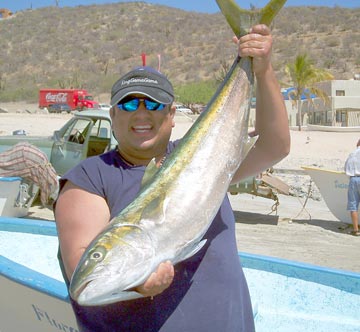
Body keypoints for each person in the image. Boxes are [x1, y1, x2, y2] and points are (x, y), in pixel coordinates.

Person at [55, 24, 290, 332]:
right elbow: (80, 263)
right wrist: (138, 284)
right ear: (113, 115)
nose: (141, 113)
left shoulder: (206, 157)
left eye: (153, 103)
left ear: (171, 114)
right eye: (128, 103)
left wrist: (262, 69)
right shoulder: (90, 176)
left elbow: (275, 145)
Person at [344, 138, 360, 236]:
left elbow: (346, 169)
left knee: (353, 206)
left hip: (353, 179)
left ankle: (356, 230)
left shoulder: (352, 154)